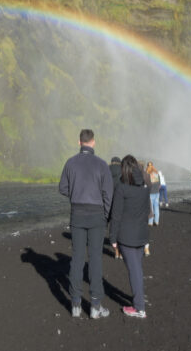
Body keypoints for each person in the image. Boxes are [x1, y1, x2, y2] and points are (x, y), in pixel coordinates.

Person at [59, 129, 114, 319]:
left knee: (77, 258)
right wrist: (105, 215)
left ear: (79, 142)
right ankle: (95, 306)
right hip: (97, 215)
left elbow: (63, 188)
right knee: (96, 259)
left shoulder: (70, 163)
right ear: (94, 143)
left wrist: (76, 193)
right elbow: (109, 193)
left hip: (77, 214)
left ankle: (75, 304)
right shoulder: (101, 164)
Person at [108, 155, 151, 319]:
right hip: (142, 235)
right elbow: (147, 212)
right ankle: (139, 301)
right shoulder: (145, 188)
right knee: (137, 269)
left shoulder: (121, 188)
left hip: (126, 236)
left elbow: (116, 215)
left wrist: (112, 238)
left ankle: (139, 308)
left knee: (134, 270)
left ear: (124, 170)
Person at [108, 156, 123, 259]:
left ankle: (115, 250)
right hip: (119, 200)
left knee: (107, 223)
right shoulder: (123, 170)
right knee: (119, 223)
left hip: (107, 200)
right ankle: (120, 251)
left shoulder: (105, 169)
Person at [145, 161, 161, 227]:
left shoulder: (147, 174)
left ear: (147, 166)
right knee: (156, 207)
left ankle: (150, 222)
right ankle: (156, 221)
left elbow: (146, 184)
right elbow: (160, 185)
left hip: (150, 193)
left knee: (150, 208)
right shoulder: (157, 173)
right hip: (157, 192)